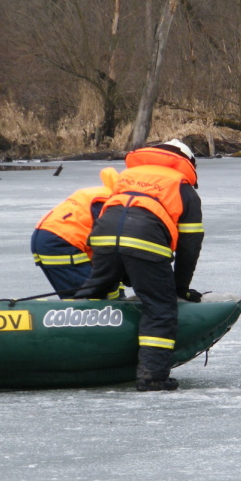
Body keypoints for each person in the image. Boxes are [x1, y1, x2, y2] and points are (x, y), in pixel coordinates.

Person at [74, 139, 205, 392]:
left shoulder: (128, 175)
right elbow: (190, 246)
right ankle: (152, 377)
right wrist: (179, 288)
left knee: (95, 291)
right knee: (160, 309)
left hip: (102, 237)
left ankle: (68, 351)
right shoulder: (182, 187)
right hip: (145, 241)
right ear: (187, 161)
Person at [31, 168, 120, 298]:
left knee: (81, 296)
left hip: (49, 237)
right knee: (90, 300)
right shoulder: (113, 201)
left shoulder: (102, 193)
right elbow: (110, 252)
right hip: (63, 242)